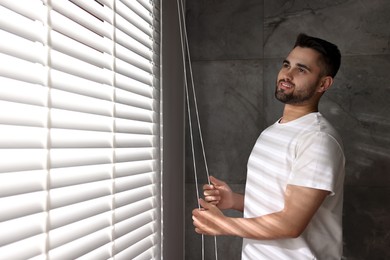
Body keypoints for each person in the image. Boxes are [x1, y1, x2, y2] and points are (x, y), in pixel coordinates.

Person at [192, 33, 345, 259]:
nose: (287, 74)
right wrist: (234, 200)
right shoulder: (272, 132)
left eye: (301, 69)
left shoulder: (318, 139)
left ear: (324, 83)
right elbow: (280, 205)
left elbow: (290, 224)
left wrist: (223, 225)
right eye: (286, 64)